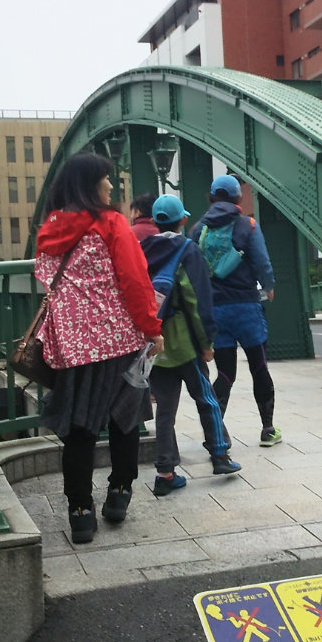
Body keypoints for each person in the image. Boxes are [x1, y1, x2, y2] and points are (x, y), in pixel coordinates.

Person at [34, 152, 164, 544]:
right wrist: (152, 328)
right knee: (126, 420)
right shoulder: (110, 223)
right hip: (119, 339)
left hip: (72, 347)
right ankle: (119, 492)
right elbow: (135, 280)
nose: (110, 185)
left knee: (79, 429)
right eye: (105, 179)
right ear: (90, 184)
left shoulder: (50, 229)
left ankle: (80, 512)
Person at [140, 194, 241, 489]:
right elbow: (198, 301)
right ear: (183, 220)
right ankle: (220, 455)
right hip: (185, 341)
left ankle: (165, 473)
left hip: (156, 343)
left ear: (154, 221)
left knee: (165, 410)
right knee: (205, 397)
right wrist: (207, 342)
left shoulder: (142, 250)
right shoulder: (188, 250)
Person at [189, 174, 281, 447]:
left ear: (211, 197)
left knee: (225, 373)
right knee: (259, 366)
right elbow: (262, 262)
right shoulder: (248, 225)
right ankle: (268, 430)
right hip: (246, 308)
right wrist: (268, 285)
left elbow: (191, 269)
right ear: (238, 197)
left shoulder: (198, 229)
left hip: (216, 310)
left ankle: (216, 433)